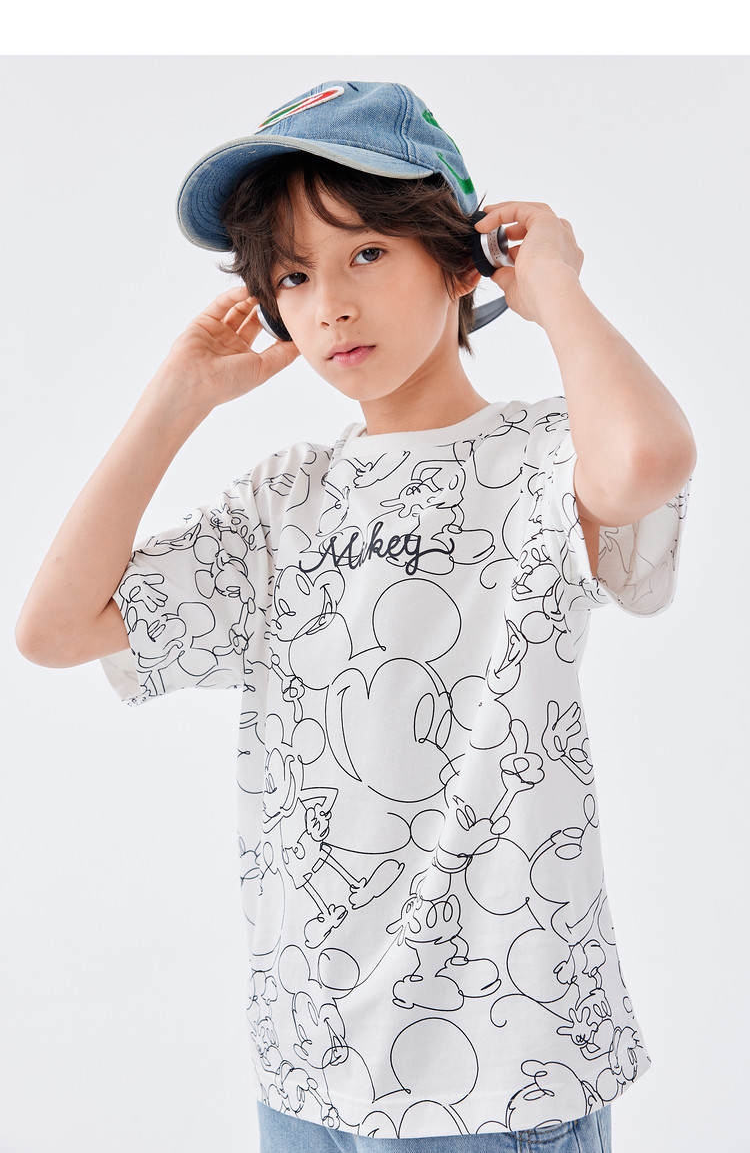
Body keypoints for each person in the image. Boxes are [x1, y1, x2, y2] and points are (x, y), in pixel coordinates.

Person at [15, 80, 697, 1153]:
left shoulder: (542, 456)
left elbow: (648, 460)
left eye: (367, 253)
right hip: (311, 1069)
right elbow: (54, 629)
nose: (329, 302)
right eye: (293, 275)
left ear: (462, 261)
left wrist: (553, 287)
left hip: (503, 1067)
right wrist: (175, 400)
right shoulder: (283, 502)